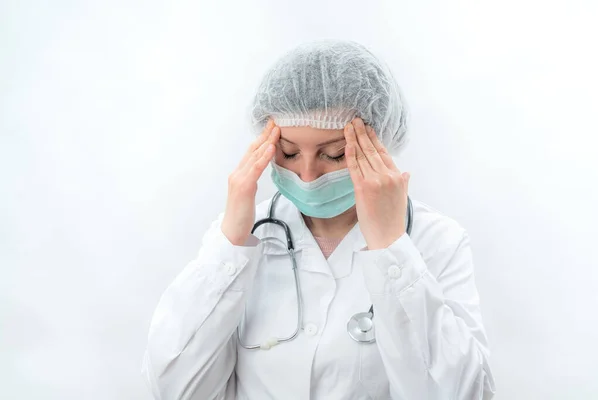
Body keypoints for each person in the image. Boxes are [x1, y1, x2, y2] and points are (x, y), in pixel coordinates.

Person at [141, 40, 496, 400]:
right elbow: (173, 391)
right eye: (289, 152)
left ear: (381, 144)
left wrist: (391, 250)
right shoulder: (241, 238)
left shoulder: (435, 240)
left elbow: (465, 394)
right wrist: (229, 246)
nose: (308, 175)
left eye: (334, 154)